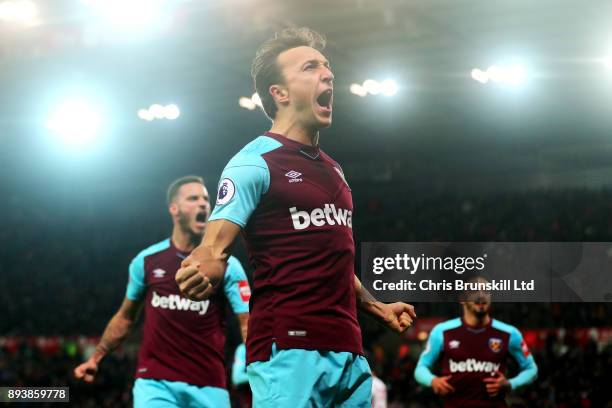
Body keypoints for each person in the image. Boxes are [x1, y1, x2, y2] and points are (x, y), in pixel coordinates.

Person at [175, 27, 416, 407]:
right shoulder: (253, 163)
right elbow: (214, 247)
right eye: (310, 67)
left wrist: (375, 306)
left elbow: (333, 259)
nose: (328, 73)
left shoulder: (335, 170)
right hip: (288, 351)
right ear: (280, 93)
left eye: (327, 65)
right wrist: (202, 267)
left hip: (349, 354)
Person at [74, 176, 250, 408]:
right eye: (193, 198)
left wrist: (262, 369)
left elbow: (248, 321)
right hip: (155, 383)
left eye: (206, 199)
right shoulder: (146, 261)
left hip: (210, 384)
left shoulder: (228, 266)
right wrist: (97, 357)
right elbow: (126, 317)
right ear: (174, 209)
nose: (203, 204)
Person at [414, 277, 538, 407]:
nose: (481, 296)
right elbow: (421, 368)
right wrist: (432, 381)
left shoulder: (510, 333)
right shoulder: (442, 332)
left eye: (486, 291)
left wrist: (511, 384)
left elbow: (531, 369)